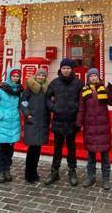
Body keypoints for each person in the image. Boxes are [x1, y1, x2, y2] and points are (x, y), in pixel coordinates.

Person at [44, 58, 83, 186]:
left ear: (72, 69)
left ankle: (72, 171)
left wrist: (78, 116)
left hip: (72, 121)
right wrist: (53, 108)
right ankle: (54, 171)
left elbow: (82, 101)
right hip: (58, 120)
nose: (66, 70)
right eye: (64, 68)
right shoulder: (54, 83)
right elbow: (48, 98)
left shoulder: (78, 83)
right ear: (60, 69)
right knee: (57, 148)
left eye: (68, 68)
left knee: (72, 147)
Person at [76, 68, 112, 190]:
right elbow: (81, 109)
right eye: (91, 76)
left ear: (98, 77)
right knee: (91, 156)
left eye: (95, 76)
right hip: (90, 127)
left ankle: (106, 179)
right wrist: (79, 123)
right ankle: (90, 176)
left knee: (105, 156)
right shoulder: (84, 91)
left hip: (103, 127)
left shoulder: (103, 89)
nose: (93, 78)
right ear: (87, 79)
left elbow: (111, 102)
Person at [0, 67, 23, 183]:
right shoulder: (1, 88)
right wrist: (1, 115)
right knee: (1, 148)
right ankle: (0, 170)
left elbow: (23, 103)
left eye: (17, 76)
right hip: (2, 122)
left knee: (10, 149)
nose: (15, 78)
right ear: (9, 76)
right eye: (13, 76)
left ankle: (7, 169)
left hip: (14, 122)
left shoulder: (20, 89)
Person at [19, 69, 50, 183]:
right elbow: (23, 102)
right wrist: (28, 114)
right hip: (32, 121)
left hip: (42, 121)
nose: (41, 77)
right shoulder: (30, 89)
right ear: (36, 76)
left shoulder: (46, 89)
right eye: (39, 75)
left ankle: (34, 172)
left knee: (38, 148)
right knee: (32, 148)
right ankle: (28, 173)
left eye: (43, 76)